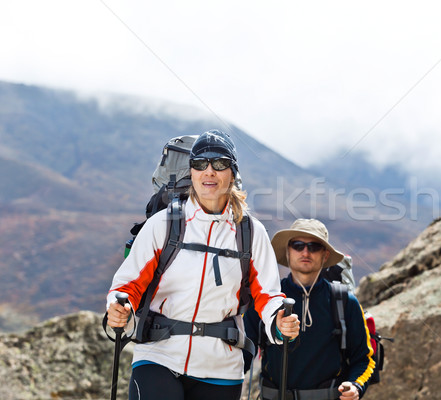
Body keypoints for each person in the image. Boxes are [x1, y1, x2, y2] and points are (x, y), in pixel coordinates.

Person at [105, 129, 300, 400]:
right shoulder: (162, 225)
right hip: (158, 356)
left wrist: (278, 322)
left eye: (219, 164)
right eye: (200, 164)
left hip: (221, 368)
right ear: (192, 172)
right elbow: (128, 286)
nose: (209, 171)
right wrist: (118, 308)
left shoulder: (250, 233)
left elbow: (267, 295)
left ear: (232, 173)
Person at [244, 218, 375, 400]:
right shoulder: (267, 300)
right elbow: (243, 351)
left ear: (325, 255)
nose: (305, 252)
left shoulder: (344, 302)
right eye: (298, 245)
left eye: (314, 246)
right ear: (288, 252)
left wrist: (355, 385)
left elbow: (364, 359)